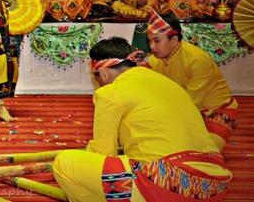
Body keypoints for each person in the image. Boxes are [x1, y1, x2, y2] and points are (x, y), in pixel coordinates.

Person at [53, 37, 231, 202]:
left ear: (103, 73)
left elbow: (103, 153)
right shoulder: (169, 83)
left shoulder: (110, 93)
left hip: (168, 185)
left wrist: (86, 154)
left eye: (96, 76)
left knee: (64, 163)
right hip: (214, 185)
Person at [146, 10, 237, 150]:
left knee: (205, 153)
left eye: (157, 41)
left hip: (215, 111)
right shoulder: (154, 60)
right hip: (179, 111)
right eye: (149, 41)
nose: (152, 47)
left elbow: (191, 104)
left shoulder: (197, 60)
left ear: (174, 39)